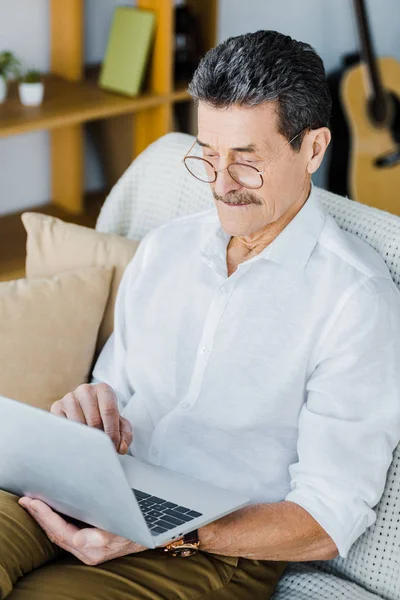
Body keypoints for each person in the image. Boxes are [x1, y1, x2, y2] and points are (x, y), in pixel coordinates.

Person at [1, 29, 400, 600]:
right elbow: (114, 384)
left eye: (246, 161)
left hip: (213, 551)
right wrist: (89, 415)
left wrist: (171, 534)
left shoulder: (355, 302)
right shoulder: (167, 249)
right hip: (102, 486)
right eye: (208, 157)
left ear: (313, 149)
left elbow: (327, 519)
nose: (220, 185)